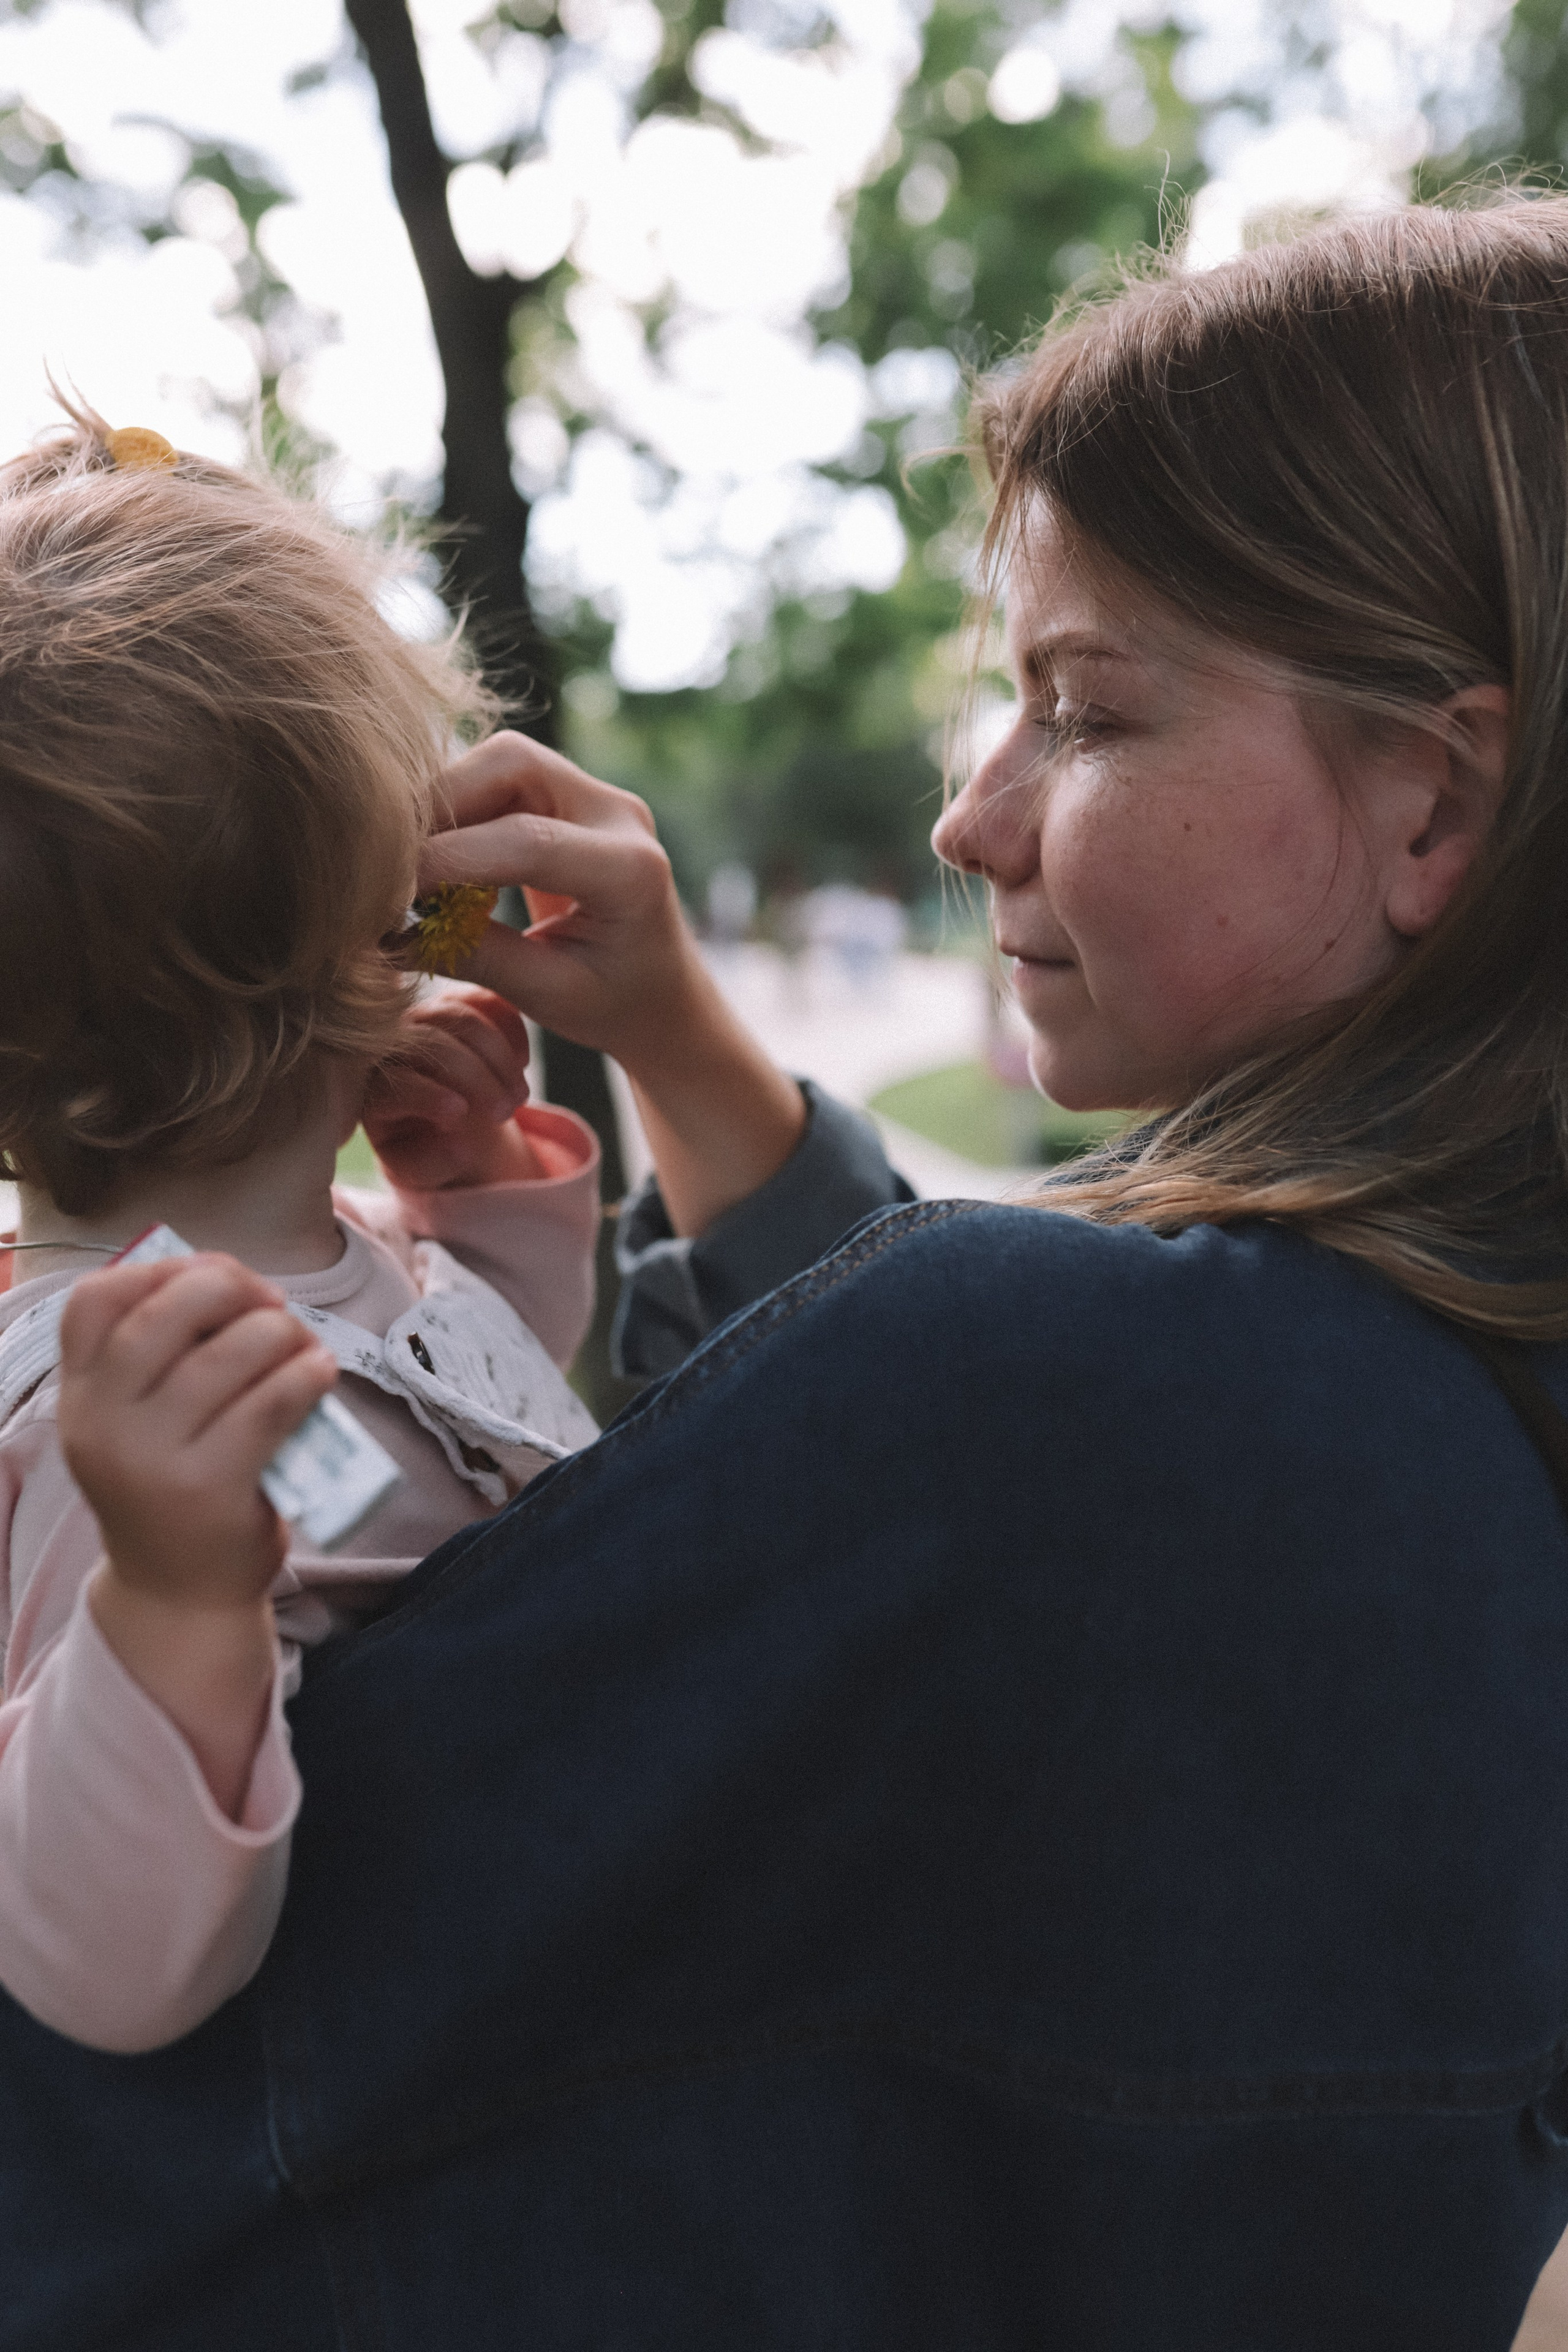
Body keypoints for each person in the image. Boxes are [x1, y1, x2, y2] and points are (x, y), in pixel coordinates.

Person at [13, 194, 1568, 2352]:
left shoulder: (1143, 1401)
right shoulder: (1434, 1391)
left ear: (1434, 804)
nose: (969, 817)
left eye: (1086, 712)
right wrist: (668, 1048)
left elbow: (257, 2033)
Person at [0, 412, 804, 2057]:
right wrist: (169, 1600)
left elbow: (468, 1423)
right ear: (391, 934)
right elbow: (105, 1970)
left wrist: (472, 1201)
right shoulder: (110, 1451)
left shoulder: (327, 1262)